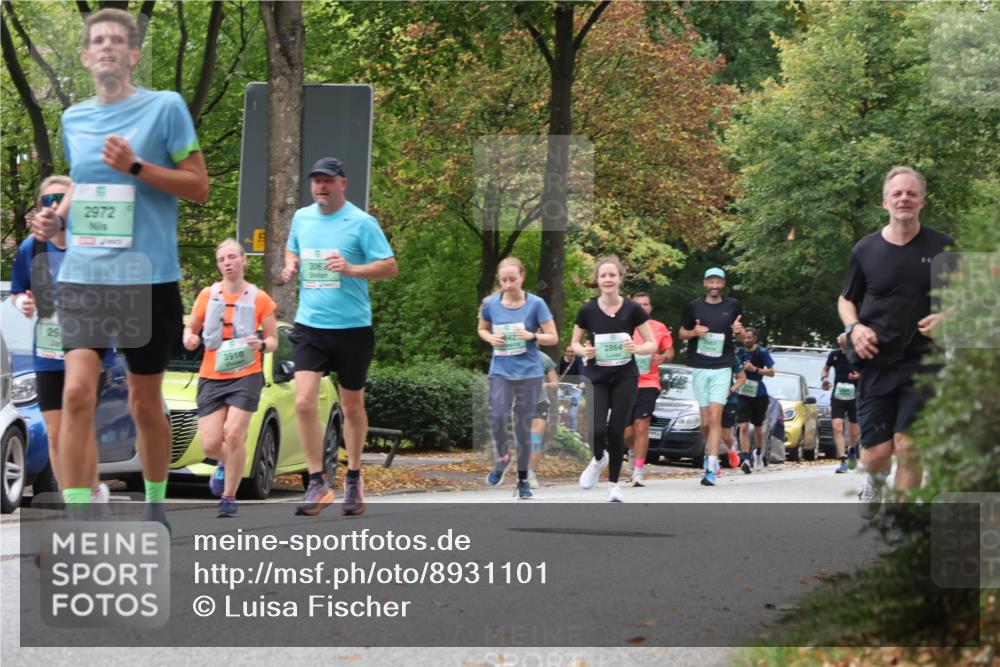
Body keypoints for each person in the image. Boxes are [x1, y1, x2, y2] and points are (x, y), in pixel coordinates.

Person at [32, 8, 209, 521]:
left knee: (144, 403)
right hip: (85, 275)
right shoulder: (74, 118)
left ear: (132, 55)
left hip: (146, 275)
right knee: (77, 392)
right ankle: (81, 515)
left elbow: (198, 187)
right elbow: (85, 186)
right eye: (98, 41)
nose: (108, 47)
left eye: (118, 41)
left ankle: (155, 505)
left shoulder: (166, 108)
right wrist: (54, 220)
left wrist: (136, 166)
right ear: (87, 57)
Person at [280, 157, 397, 517]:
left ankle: (354, 476)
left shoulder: (362, 223)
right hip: (310, 325)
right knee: (302, 402)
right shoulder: (302, 217)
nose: (321, 186)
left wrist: (351, 268)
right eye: (316, 180)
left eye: (328, 180)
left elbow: (389, 267)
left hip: (352, 329)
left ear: (343, 183)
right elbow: (293, 246)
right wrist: (291, 263)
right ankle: (317, 481)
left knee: (351, 407)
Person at [838, 166, 952, 518]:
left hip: (923, 362)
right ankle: (874, 479)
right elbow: (846, 300)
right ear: (885, 202)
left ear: (922, 201)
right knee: (876, 455)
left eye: (911, 193)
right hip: (875, 361)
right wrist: (855, 327)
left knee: (910, 445)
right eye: (898, 193)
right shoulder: (866, 249)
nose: (905, 198)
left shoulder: (943, 247)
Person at [11, 176, 111, 502]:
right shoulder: (32, 247)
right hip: (48, 349)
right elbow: (17, 292)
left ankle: (92, 491)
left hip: (89, 346)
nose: (54, 207)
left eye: (61, 200)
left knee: (79, 426)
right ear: (41, 207)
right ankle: (74, 501)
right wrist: (22, 302)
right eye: (48, 201)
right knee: (55, 432)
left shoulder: (92, 244)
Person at [182, 240, 277, 518]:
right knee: (211, 443)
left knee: (234, 435)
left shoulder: (259, 298)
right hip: (212, 375)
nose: (227, 262)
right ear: (218, 264)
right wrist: (189, 337)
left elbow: (272, 339)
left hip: (246, 374)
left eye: (232, 257)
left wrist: (261, 344)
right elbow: (192, 327)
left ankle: (228, 497)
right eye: (222, 258)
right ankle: (227, 462)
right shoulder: (207, 295)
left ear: (243, 261)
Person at [571, 256, 657, 502]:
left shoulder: (633, 309)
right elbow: (574, 343)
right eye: (603, 275)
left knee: (616, 430)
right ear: (597, 280)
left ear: (620, 278)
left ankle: (614, 485)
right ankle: (599, 459)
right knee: (597, 429)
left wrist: (636, 348)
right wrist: (583, 352)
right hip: (598, 375)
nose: (607, 279)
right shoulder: (587, 310)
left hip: (625, 376)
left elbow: (651, 343)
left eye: (612, 275)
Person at [478, 257, 559, 500]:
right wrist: (489, 338)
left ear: (522, 276)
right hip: (501, 369)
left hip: (530, 372)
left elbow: (553, 337)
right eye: (504, 280)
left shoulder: (536, 304)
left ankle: (523, 479)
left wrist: (532, 335)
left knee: (523, 427)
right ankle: (502, 457)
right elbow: (482, 328)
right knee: (497, 415)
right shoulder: (491, 304)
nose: (509, 284)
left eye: (513, 279)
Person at [678, 268, 745, 487]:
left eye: (718, 282)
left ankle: (711, 465)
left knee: (716, 419)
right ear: (705, 283)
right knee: (705, 423)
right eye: (711, 281)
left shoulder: (733, 305)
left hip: (722, 367)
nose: (714, 285)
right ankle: (714, 452)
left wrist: (737, 330)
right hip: (699, 367)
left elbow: (741, 336)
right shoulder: (694, 306)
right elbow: (682, 333)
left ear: (723, 284)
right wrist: (693, 333)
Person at [623, 292, 674, 487]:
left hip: (649, 383)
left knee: (642, 424)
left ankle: (638, 470)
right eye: (639, 304)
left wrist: (665, 357)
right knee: (627, 433)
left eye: (646, 304)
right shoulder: (623, 326)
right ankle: (633, 450)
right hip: (626, 382)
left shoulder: (658, 328)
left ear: (650, 307)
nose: (642, 307)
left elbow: (669, 349)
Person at [735, 327, 775, 474]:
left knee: (758, 427)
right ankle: (745, 458)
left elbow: (771, 372)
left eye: (749, 337)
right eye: (745, 338)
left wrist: (755, 369)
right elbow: (733, 369)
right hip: (743, 393)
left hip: (759, 394)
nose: (747, 340)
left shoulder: (762, 352)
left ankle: (758, 453)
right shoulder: (739, 352)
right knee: (743, 427)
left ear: (754, 338)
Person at [822, 333, 861, 474]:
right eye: (839, 341)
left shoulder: (858, 354)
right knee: (837, 427)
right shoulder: (834, 355)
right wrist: (825, 378)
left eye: (842, 341)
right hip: (838, 396)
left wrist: (858, 376)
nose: (840, 343)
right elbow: (825, 368)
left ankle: (852, 448)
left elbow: (867, 372)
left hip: (854, 396)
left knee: (853, 431)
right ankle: (843, 460)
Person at [527, 350, 559, 489]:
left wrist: (545, 385)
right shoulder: (514, 357)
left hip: (540, 404)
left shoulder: (544, 358)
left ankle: (530, 474)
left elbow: (555, 383)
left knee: (534, 438)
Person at [720, 361, 747, 470]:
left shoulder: (731, 356)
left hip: (729, 401)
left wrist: (730, 390)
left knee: (725, 435)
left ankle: (731, 450)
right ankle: (712, 461)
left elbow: (742, 378)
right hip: (712, 399)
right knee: (711, 427)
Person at [557, 346, 585, 432]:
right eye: (568, 351)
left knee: (572, 414)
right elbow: (556, 372)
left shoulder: (578, 360)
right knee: (555, 408)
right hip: (562, 386)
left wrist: (582, 382)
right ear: (565, 352)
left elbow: (581, 371)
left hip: (575, 387)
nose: (570, 354)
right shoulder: (561, 360)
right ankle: (555, 430)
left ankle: (572, 433)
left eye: (572, 352)